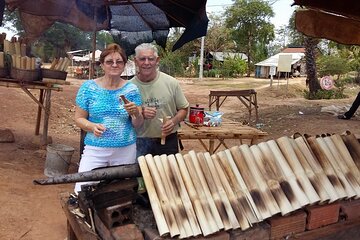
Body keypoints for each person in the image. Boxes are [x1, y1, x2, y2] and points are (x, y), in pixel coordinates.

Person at [74, 43, 144, 193]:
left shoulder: (131, 89)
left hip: (125, 150)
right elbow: (79, 118)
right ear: (102, 65)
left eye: (119, 62)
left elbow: (137, 124)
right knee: (82, 190)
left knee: (121, 193)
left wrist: (136, 114)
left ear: (125, 65)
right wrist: (91, 126)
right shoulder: (88, 88)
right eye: (109, 62)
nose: (114, 65)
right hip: (96, 148)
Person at [130, 43, 189, 156]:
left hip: (168, 141)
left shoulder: (171, 83)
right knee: (140, 173)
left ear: (157, 60)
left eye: (151, 59)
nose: (146, 63)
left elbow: (184, 109)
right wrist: (140, 112)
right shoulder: (128, 87)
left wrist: (173, 121)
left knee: (168, 173)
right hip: (139, 142)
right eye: (142, 59)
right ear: (136, 61)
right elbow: (123, 117)